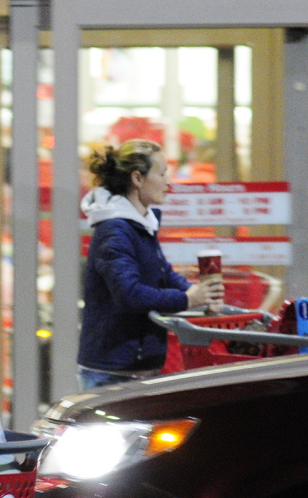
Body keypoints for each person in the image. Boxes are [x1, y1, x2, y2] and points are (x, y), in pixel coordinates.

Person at [77, 139, 224, 389]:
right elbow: (129, 295)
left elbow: (162, 273)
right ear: (137, 178)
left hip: (137, 367)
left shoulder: (141, 225)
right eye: (162, 173)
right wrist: (188, 300)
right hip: (113, 372)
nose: (169, 182)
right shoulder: (115, 231)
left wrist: (202, 295)